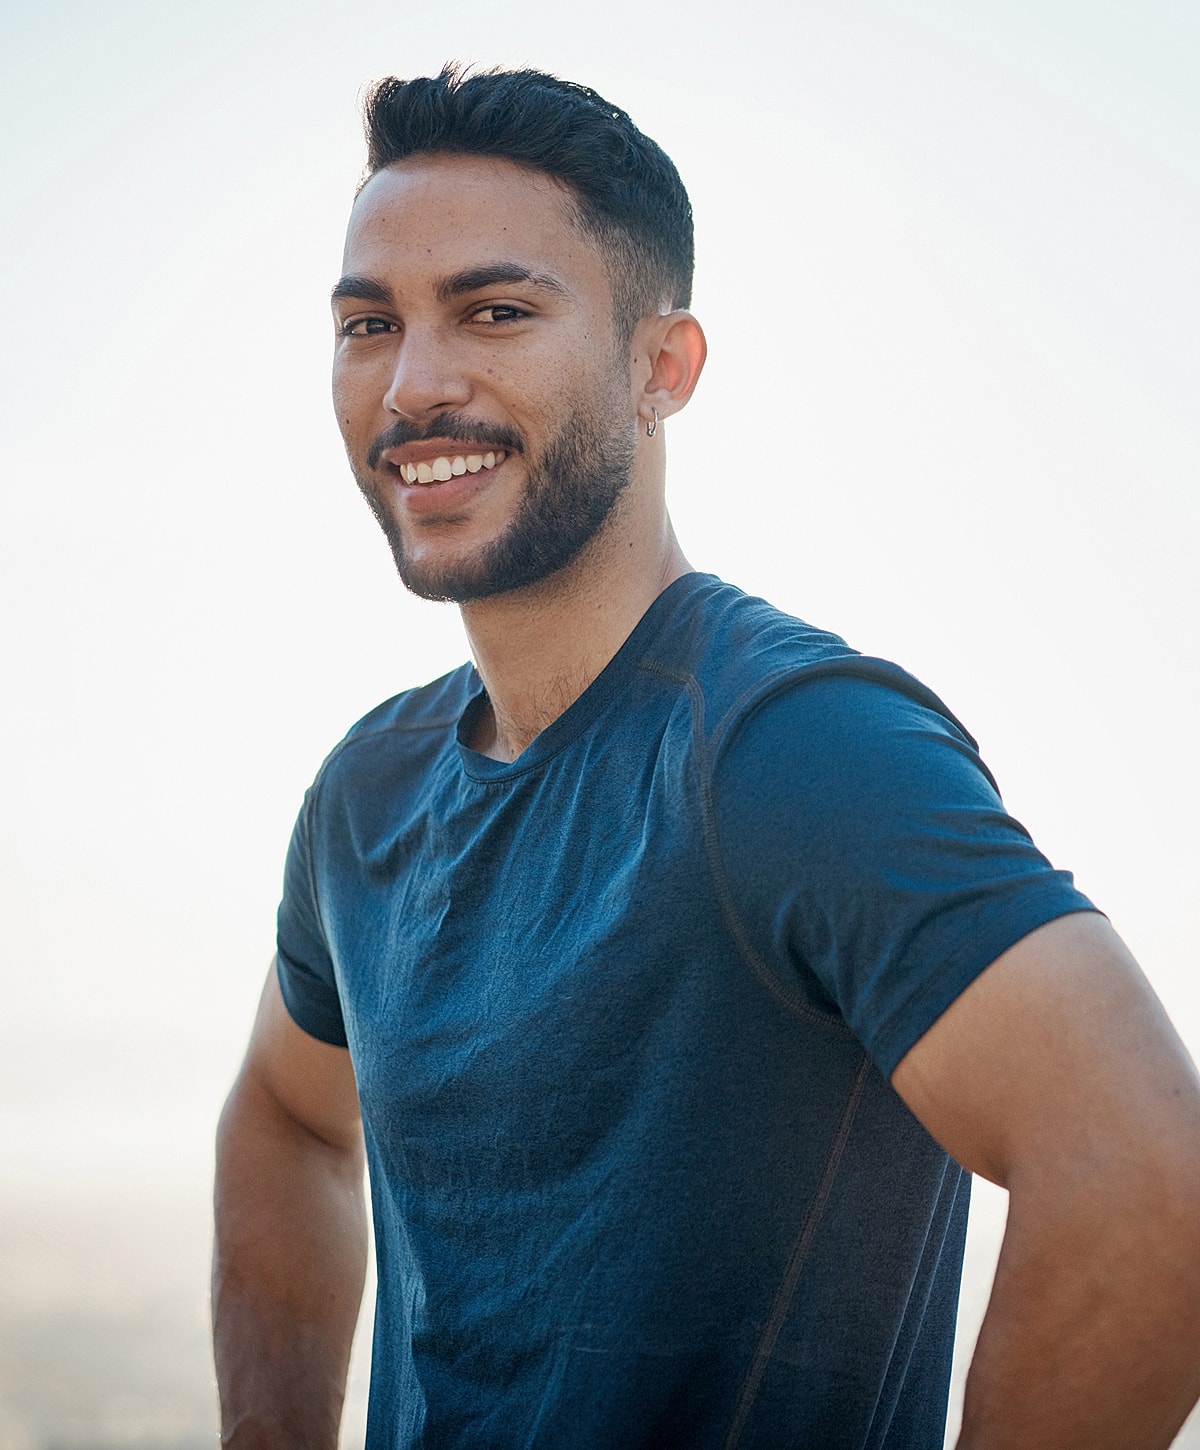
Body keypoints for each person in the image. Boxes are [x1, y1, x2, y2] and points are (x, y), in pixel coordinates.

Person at [212, 65, 1200, 1450]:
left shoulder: (790, 743)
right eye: (370, 324)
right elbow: (284, 1113)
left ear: (659, 367)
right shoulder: (366, 796)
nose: (417, 383)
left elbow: (1152, 1180)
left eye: (495, 311)